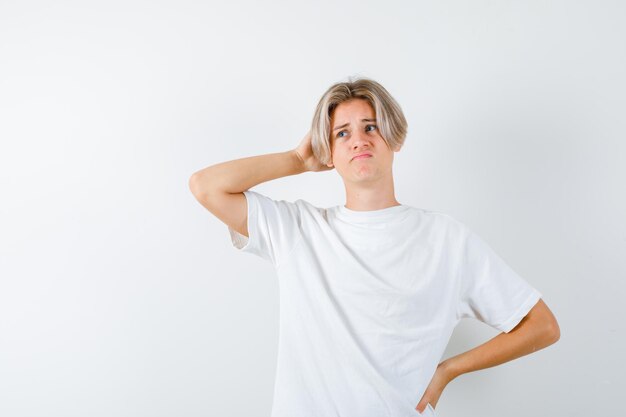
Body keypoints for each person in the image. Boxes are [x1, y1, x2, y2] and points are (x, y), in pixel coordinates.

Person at [189, 76, 560, 417]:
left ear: (394, 139)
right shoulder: (298, 230)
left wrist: (449, 369)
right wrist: (297, 160)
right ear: (328, 154)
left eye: (371, 127)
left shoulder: (447, 239)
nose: (359, 140)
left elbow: (541, 325)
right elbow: (206, 186)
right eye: (342, 134)